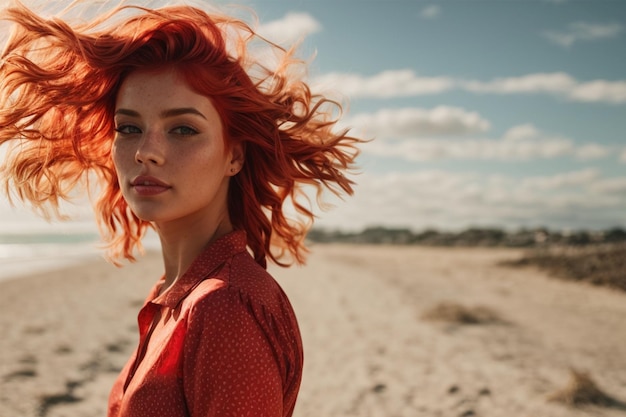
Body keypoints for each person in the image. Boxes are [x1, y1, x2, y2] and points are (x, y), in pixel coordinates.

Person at [0, 2, 361, 416]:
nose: (146, 152)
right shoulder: (175, 292)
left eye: (183, 129)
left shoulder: (225, 306)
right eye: (130, 128)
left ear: (234, 156)